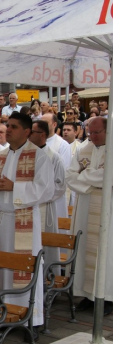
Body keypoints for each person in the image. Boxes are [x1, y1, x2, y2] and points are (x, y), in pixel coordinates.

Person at [0, 112, 54, 340]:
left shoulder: (39, 156)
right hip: (1, 219)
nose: (8, 130)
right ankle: (1, 313)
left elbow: (46, 190)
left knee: (26, 268)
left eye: (14, 127)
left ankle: (31, 320)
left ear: (26, 132)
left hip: (24, 221)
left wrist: (13, 187)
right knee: (2, 268)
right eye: (8, 126)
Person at [66, 117, 113, 316]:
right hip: (85, 206)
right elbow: (69, 176)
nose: (92, 136)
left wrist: (85, 177)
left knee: (106, 251)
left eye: (97, 132)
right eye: (90, 132)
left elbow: (108, 176)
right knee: (85, 247)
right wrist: (94, 179)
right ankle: (87, 294)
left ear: (107, 131)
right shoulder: (82, 149)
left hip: (107, 209)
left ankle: (108, 297)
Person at [28, 120, 66, 276]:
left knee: (45, 246)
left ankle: (47, 277)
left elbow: (60, 186)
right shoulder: (26, 154)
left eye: (32, 133)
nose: (28, 136)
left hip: (45, 207)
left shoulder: (54, 157)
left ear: (42, 135)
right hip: (27, 207)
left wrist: (37, 195)